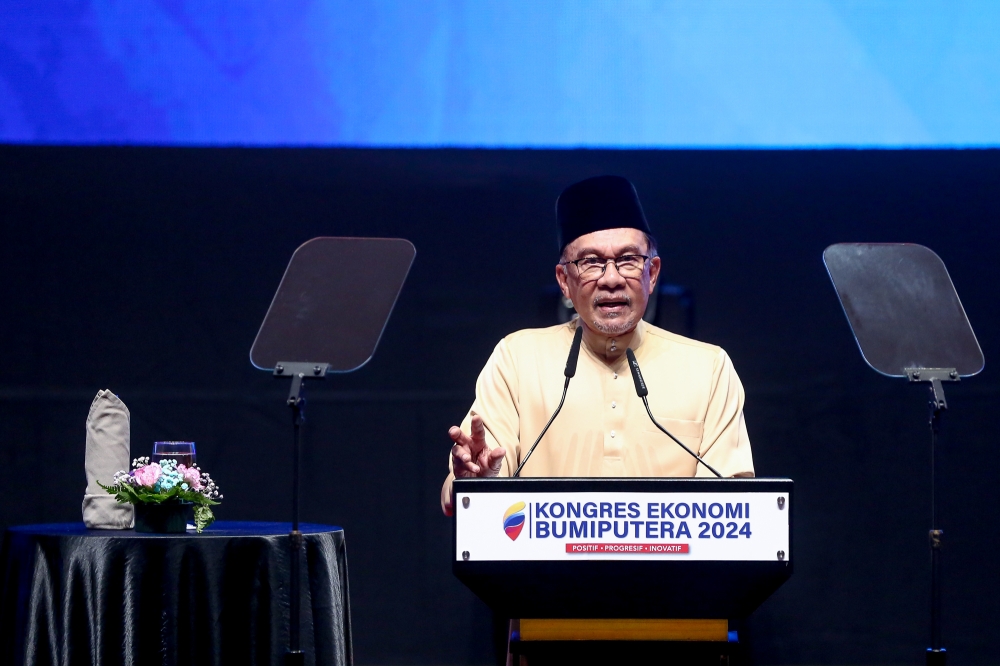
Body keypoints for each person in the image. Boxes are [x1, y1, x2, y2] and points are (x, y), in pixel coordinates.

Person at [441, 175, 753, 515]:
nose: (611, 278)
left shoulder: (708, 368)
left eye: (628, 259)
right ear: (564, 281)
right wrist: (476, 482)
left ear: (652, 273)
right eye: (591, 262)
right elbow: (472, 480)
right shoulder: (517, 359)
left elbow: (730, 504)